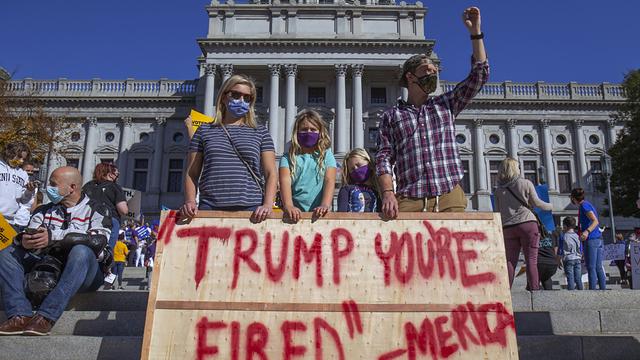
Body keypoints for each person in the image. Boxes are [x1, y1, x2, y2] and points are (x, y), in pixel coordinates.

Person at [376, 7, 488, 218]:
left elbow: (479, 75)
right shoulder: (391, 116)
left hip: (449, 197)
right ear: (410, 77)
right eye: (427, 70)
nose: (432, 75)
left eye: (435, 72)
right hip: (409, 200)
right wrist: (388, 192)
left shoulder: (445, 105)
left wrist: (476, 33)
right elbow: (384, 157)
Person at [0, 166, 112, 336]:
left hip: (85, 272)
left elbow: (98, 241)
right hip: (48, 267)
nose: (48, 188)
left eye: (53, 184)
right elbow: (34, 232)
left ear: (72, 187)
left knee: (81, 251)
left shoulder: (98, 209)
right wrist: (25, 241)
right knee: (6, 252)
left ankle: (46, 316)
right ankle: (19, 315)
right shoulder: (43, 210)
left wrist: (55, 237)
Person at [181, 74, 277, 223]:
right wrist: (190, 200)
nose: (241, 101)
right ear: (224, 97)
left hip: (251, 208)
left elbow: (271, 173)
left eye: (247, 98)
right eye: (236, 95)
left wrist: (268, 204)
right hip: (210, 206)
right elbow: (191, 172)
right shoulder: (204, 130)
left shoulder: (261, 132)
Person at [494, 158, 553, 290]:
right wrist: (550, 206)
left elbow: (497, 212)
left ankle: (506, 291)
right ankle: (534, 291)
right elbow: (537, 203)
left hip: (508, 227)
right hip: (527, 224)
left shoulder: (498, 191)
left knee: (510, 261)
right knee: (531, 260)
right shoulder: (526, 183)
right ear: (515, 168)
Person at [279, 109, 337, 222]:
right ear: (297, 132)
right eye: (304, 129)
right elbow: (284, 182)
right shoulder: (287, 158)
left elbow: (329, 180)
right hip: (294, 213)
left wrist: (325, 204)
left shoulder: (327, 155)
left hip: (320, 212)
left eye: (313, 129)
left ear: (320, 132)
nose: (308, 132)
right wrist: (289, 206)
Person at [82, 163, 128, 249]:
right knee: (106, 250)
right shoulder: (114, 187)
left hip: (87, 219)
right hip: (109, 220)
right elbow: (123, 210)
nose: (117, 178)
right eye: (117, 175)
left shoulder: (87, 186)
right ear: (110, 175)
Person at [571, 188, 606, 290]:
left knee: (591, 267)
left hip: (591, 239)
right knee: (598, 267)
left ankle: (592, 292)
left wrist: (587, 231)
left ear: (573, 198)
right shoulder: (587, 204)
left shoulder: (584, 206)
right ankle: (603, 290)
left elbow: (595, 221)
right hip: (598, 238)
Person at [0, 142, 36, 230]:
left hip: (10, 221)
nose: (21, 161)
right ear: (10, 153)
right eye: (19, 157)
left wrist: (29, 191)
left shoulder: (23, 174)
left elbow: (24, 201)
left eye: (23, 159)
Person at [337, 148, 380, 212]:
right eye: (352, 169)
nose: (356, 170)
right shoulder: (346, 190)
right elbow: (341, 215)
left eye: (359, 165)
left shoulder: (379, 192)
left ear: (369, 164)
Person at [13, 161, 39, 232]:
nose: (30, 173)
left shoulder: (34, 187)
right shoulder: (16, 184)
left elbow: (33, 208)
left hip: (25, 222)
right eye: (27, 171)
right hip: (14, 221)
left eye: (32, 171)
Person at [561, 217, 583, 290]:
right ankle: (581, 290)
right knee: (578, 277)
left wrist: (559, 259)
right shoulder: (577, 236)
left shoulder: (563, 236)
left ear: (565, 226)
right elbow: (581, 247)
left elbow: (560, 249)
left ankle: (571, 292)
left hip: (568, 258)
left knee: (570, 277)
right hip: (578, 258)